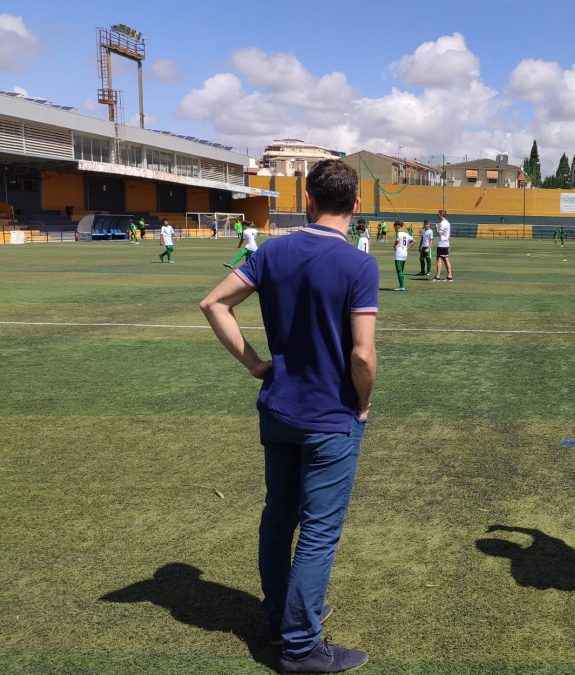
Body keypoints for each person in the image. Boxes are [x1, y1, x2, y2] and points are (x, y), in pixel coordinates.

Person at [199, 159, 377, 673]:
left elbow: (214, 304)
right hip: (330, 416)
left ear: (307, 199)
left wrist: (256, 364)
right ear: (358, 206)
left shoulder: (272, 251)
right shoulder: (359, 264)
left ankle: (281, 618)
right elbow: (362, 356)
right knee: (319, 530)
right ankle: (300, 645)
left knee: (279, 517)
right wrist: (363, 401)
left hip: (279, 409)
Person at [392, 220, 414, 291]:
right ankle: (401, 285)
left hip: (399, 253)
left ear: (397, 227)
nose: (394, 229)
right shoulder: (406, 234)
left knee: (399, 270)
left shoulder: (398, 234)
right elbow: (414, 241)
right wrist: (407, 248)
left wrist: (394, 246)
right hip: (405, 253)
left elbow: (397, 240)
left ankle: (402, 286)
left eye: (395, 227)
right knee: (402, 270)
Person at [432, 209, 453, 281]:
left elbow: (439, 233)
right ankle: (449, 276)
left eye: (438, 214)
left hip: (442, 243)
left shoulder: (443, 223)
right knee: (446, 259)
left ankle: (437, 276)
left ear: (441, 215)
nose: (438, 215)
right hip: (446, 243)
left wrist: (436, 228)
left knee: (439, 259)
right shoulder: (447, 222)